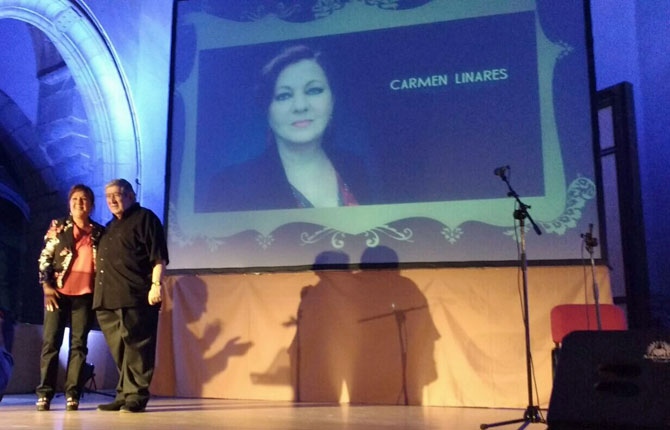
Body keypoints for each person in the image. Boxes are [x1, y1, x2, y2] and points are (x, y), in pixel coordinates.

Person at [203, 44, 373, 212]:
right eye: (284, 96)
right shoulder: (229, 185)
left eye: (313, 90)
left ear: (332, 100)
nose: (300, 106)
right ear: (267, 109)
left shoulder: (355, 167)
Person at [93, 178, 168, 413]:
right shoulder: (109, 227)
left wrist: (156, 285)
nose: (112, 200)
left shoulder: (145, 218)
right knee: (121, 350)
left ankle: (136, 395)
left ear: (130, 196)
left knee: (138, 348)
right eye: (108, 196)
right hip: (107, 299)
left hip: (135, 296)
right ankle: (124, 393)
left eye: (117, 194)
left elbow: (159, 256)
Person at [35, 184, 104, 411]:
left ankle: (72, 394)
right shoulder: (59, 226)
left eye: (84, 199)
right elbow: (45, 257)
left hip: (85, 295)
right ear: (69, 203)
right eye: (74, 199)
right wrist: (47, 287)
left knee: (79, 345)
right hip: (57, 293)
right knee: (51, 343)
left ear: (91, 205)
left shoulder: (99, 232)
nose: (78, 203)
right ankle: (44, 393)